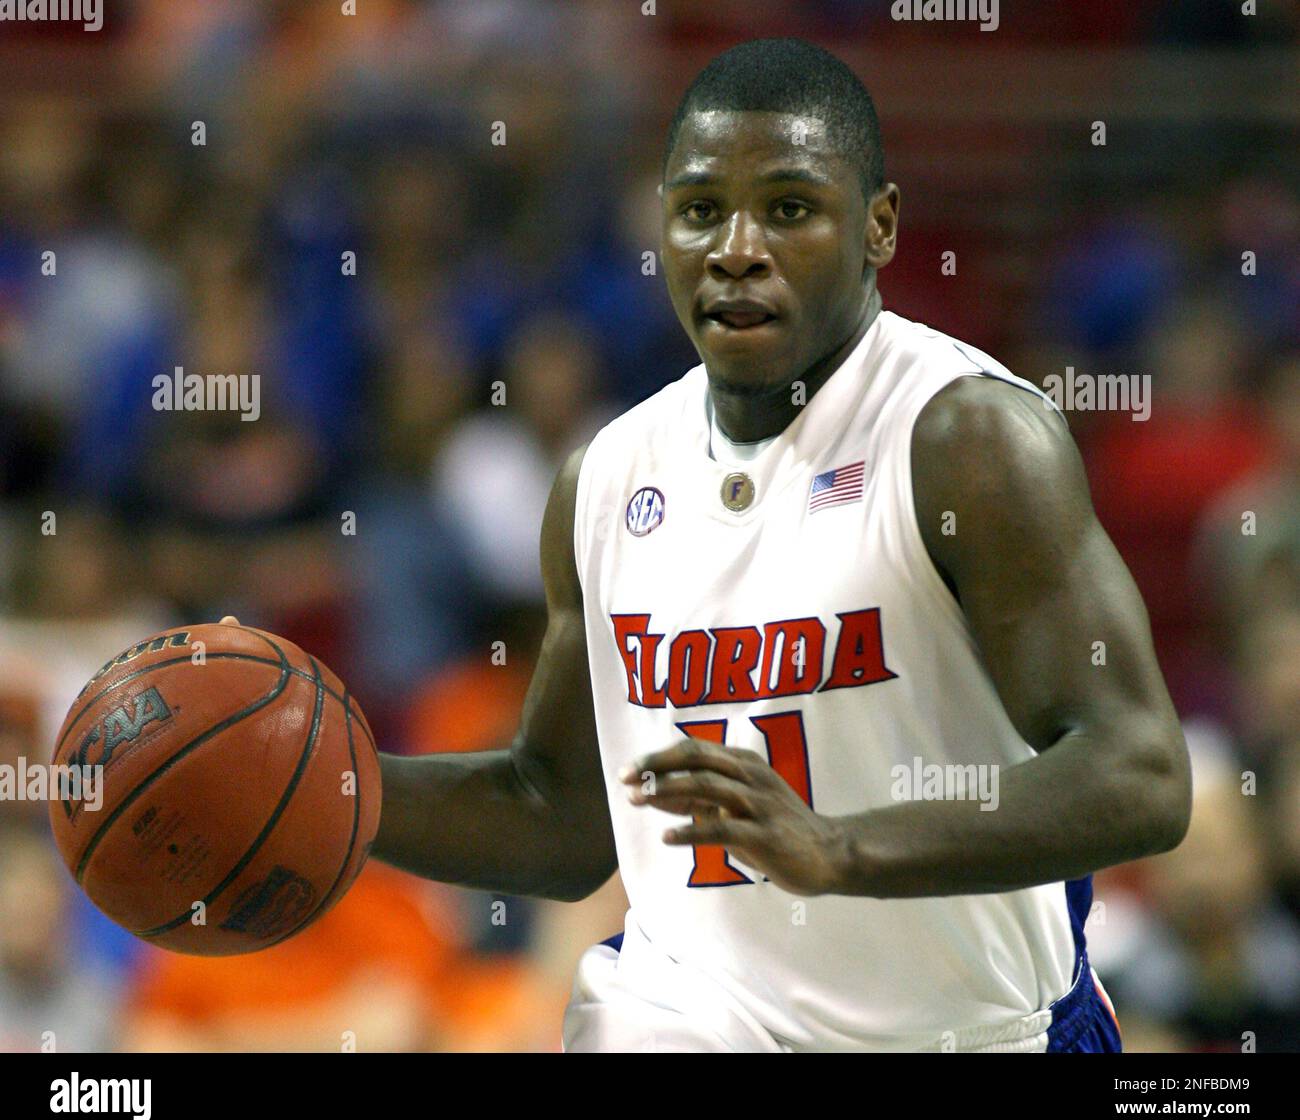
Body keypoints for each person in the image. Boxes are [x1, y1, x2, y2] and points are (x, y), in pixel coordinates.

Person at [224, 37, 1190, 1052]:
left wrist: (838, 846)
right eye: (697, 212)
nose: (735, 246)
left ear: (878, 226)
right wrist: (334, 788)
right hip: (688, 1019)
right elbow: (558, 817)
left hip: (974, 1029)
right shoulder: (605, 476)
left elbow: (1137, 772)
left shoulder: (965, 439)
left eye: (788, 208)